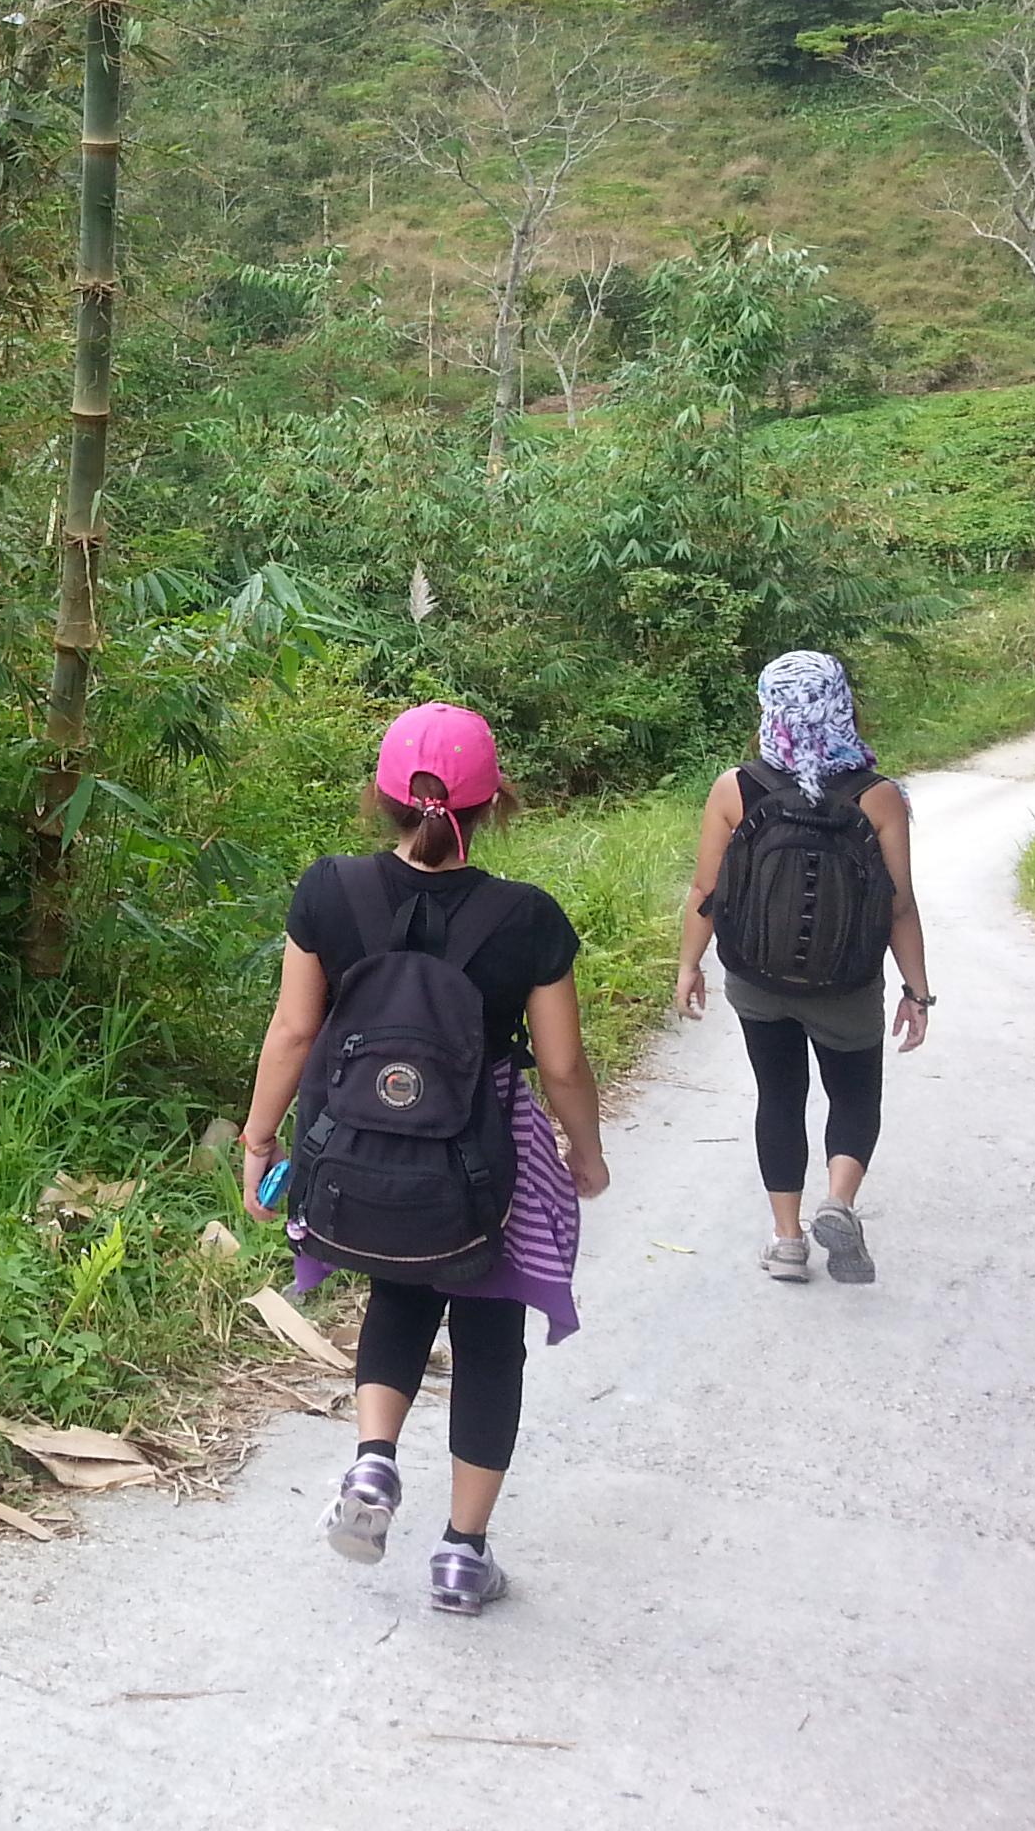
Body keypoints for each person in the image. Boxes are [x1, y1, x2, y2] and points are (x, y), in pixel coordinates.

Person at [238, 702, 610, 1618]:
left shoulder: (328, 891)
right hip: (482, 1162)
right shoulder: (528, 918)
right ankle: (461, 1556)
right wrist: (585, 1151)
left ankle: (374, 1460)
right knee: (489, 1337)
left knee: (399, 1294)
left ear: (382, 798)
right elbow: (562, 1065)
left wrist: (259, 1141)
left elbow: (293, 1031)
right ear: (494, 802)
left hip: (362, 1158)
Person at [674, 649, 932, 1287]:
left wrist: (689, 966)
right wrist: (917, 992)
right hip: (847, 985)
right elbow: (899, 906)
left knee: (779, 1096)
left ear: (770, 708)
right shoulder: (878, 797)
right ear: (841, 705)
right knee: (855, 1094)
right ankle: (838, 1202)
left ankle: (788, 1241)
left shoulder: (736, 787)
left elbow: (706, 889)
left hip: (758, 981)